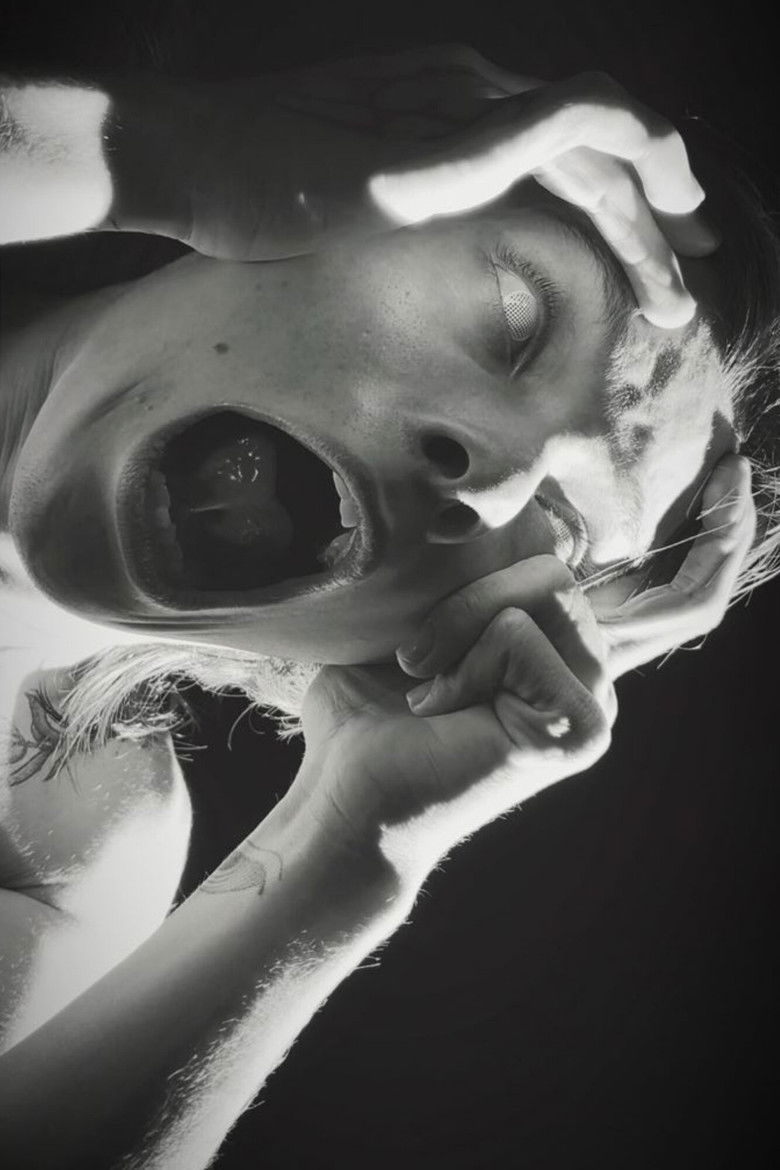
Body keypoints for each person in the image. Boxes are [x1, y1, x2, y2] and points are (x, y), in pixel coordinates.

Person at [0, 46, 775, 1169]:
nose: (492, 481)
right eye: (515, 316)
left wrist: (348, 848)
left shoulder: (62, 865)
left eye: (556, 534)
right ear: (329, 183)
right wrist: (159, 152)